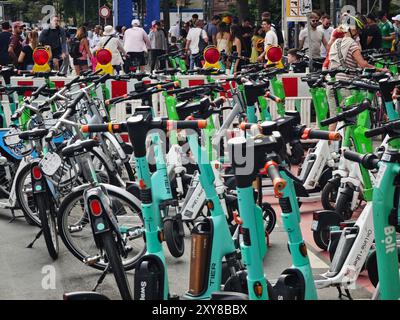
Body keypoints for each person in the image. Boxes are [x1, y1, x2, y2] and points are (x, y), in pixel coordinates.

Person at [327, 15, 388, 132]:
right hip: (345, 85)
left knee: (333, 118)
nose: (359, 33)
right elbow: (363, 64)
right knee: (349, 120)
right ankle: (345, 148)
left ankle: (329, 147)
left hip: (332, 83)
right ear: (353, 29)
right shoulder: (353, 44)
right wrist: (381, 70)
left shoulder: (336, 43)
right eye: (359, 30)